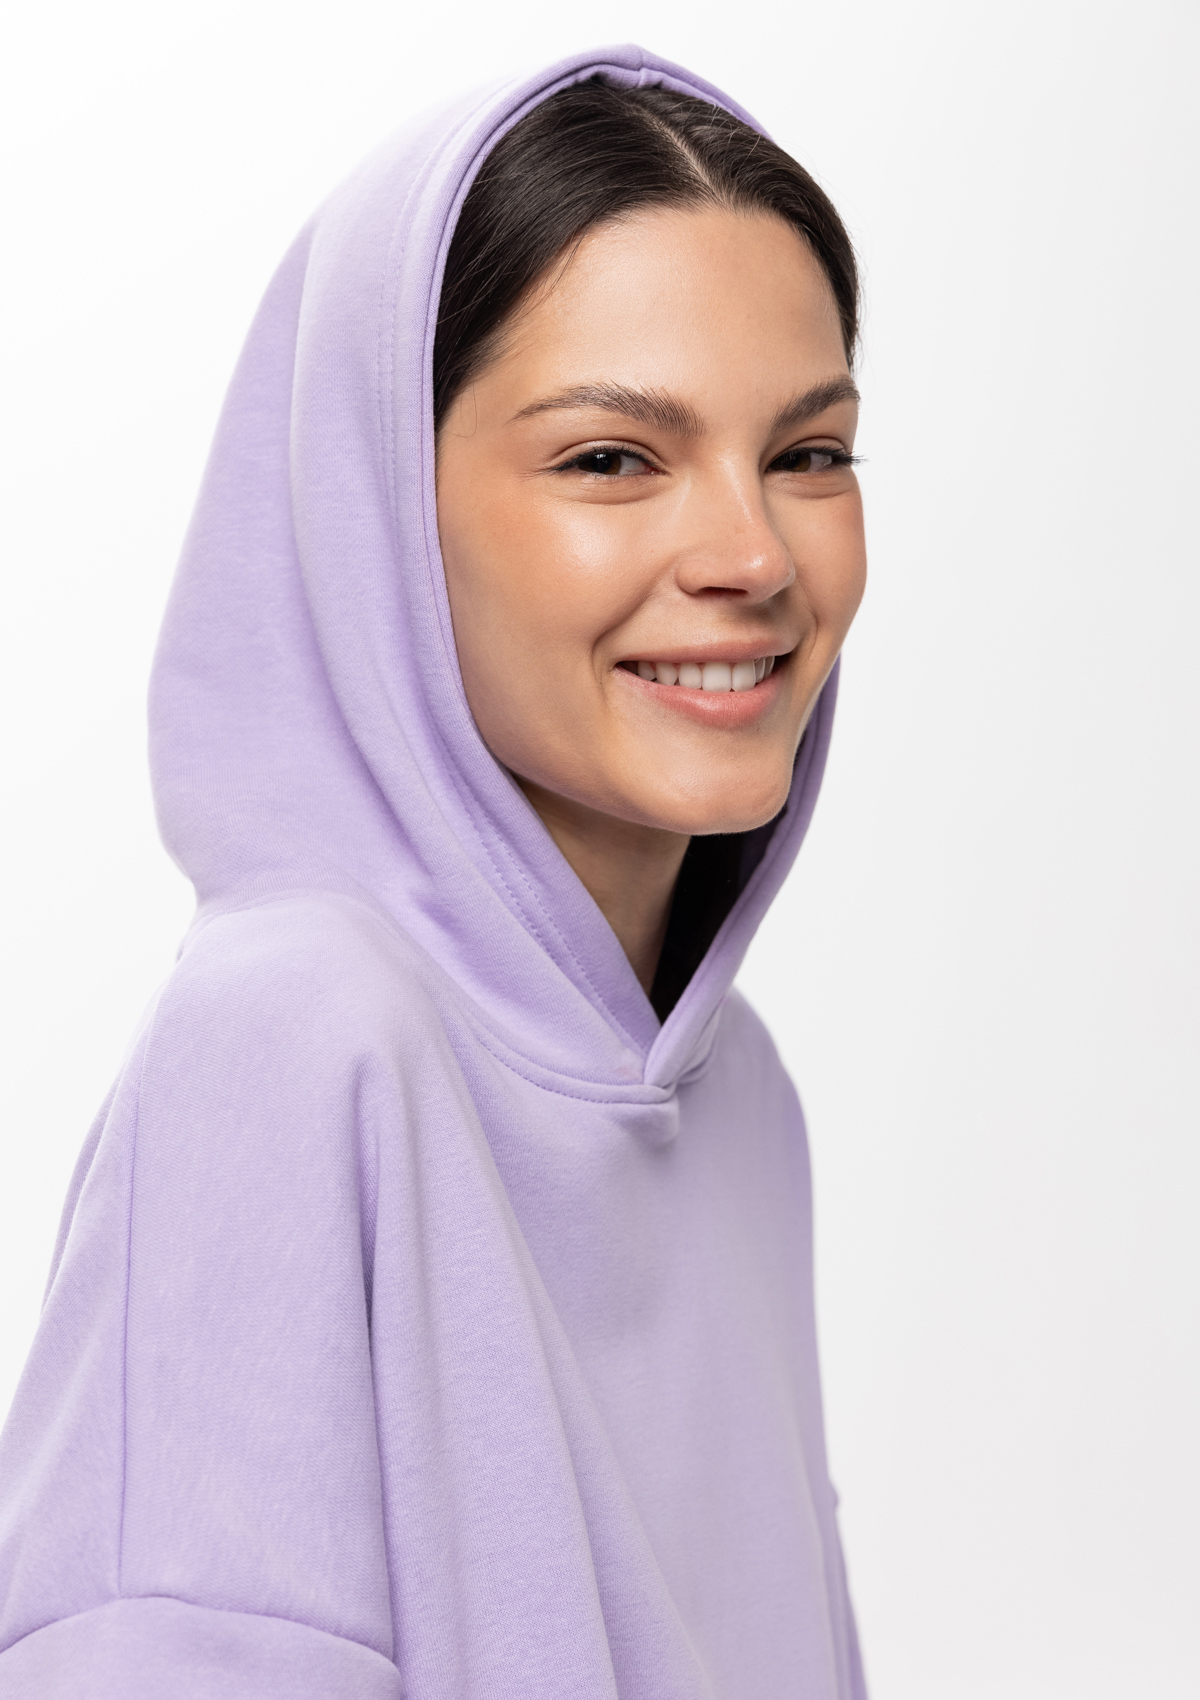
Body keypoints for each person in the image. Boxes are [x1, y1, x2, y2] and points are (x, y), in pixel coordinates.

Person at [0, 44, 868, 1700]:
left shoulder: (739, 1098)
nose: (753, 555)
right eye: (612, 458)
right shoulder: (294, 1040)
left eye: (809, 453)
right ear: (383, 511)